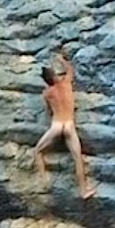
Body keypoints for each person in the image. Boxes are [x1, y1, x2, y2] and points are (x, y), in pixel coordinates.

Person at [34, 50, 95, 199]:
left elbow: (49, 111)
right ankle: (84, 190)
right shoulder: (66, 82)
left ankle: (44, 182)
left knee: (37, 151)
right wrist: (62, 59)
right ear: (54, 75)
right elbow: (70, 70)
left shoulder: (47, 93)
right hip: (69, 125)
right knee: (77, 158)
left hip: (56, 126)